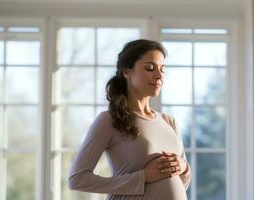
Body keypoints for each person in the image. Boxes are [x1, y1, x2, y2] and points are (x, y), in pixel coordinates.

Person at [68, 39, 191, 200]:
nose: (159, 75)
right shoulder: (109, 120)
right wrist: (142, 177)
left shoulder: (169, 122)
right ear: (127, 72)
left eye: (162, 69)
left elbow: (181, 184)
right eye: (150, 68)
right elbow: (77, 179)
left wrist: (183, 168)